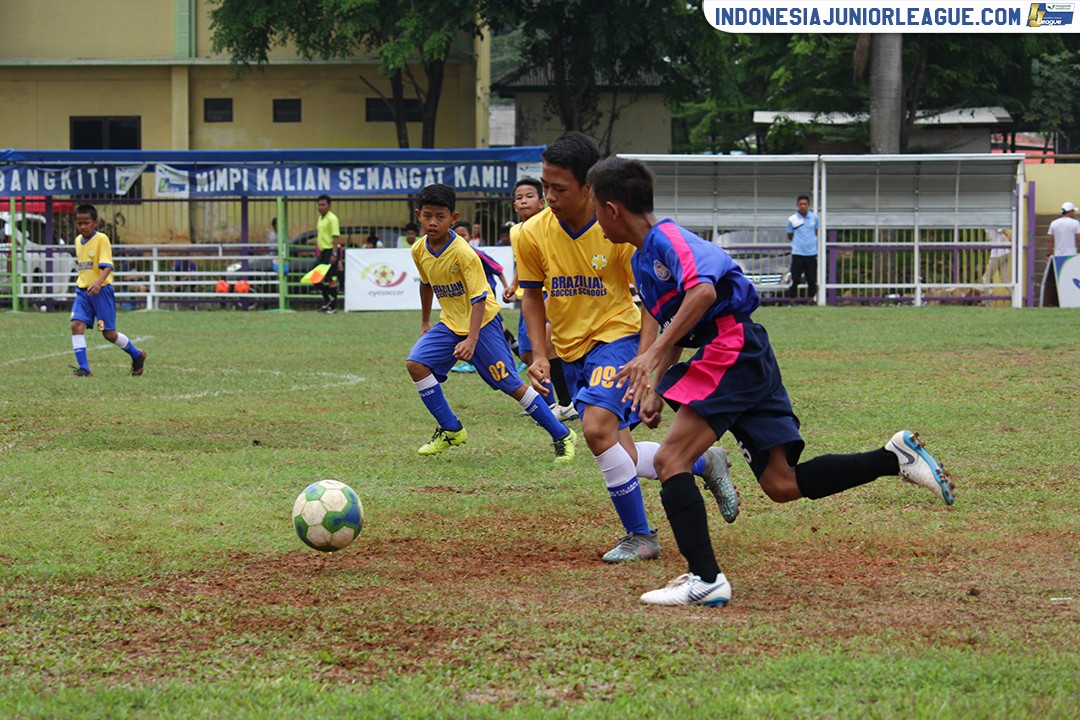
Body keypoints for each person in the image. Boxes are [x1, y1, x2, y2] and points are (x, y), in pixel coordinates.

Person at [586, 156, 956, 606]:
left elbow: (703, 293)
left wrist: (653, 356)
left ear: (611, 209)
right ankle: (892, 457)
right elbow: (681, 323)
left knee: (670, 460)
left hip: (733, 349)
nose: (592, 218)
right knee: (781, 484)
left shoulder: (668, 238)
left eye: (591, 205)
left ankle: (705, 579)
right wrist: (654, 380)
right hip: (741, 352)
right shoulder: (643, 259)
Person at [516, 132, 739, 564]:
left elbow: (652, 304)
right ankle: (704, 461)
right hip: (571, 351)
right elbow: (530, 294)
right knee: (625, 452)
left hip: (616, 339)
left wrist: (645, 359)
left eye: (558, 188)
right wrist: (540, 354)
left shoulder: (615, 229)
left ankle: (641, 536)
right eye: (545, 186)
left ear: (588, 188)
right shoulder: (530, 234)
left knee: (597, 430)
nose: (549, 196)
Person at [405, 183, 577, 463]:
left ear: (454, 218)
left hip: (482, 324)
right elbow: (426, 283)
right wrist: (425, 321)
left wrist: (472, 340)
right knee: (416, 363)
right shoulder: (418, 250)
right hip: (449, 324)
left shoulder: (463, 253)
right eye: (427, 216)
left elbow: (479, 298)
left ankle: (562, 435)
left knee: (511, 385)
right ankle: (451, 429)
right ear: (418, 215)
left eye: (440, 216)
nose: (433, 222)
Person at [503, 176, 577, 421]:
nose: (524, 202)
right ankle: (552, 400)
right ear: (514, 205)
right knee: (527, 354)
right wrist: (513, 285)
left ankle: (560, 402)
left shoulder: (551, 225)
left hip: (547, 293)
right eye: (519, 198)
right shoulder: (516, 231)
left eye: (529, 196)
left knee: (546, 346)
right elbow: (521, 263)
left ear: (541, 202)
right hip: (527, 296)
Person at [69, 203, 146, 378]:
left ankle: (137, 355)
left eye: (86, 222)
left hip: (101, 291)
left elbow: (108, 265)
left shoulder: (101, 239)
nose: (83, 226)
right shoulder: (77, 241)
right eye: (79, 223)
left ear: (95, 222)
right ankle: (84, 368)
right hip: (83, 291)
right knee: (76, 325)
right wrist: (87, 282)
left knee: (109, 334)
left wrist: (98, 281)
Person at [1042, 201, 1080, 307]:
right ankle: (1071, 301)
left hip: (1058, 256)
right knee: (1071, 279)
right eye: (1073, 211)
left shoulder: (1054, 223)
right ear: (1070, 211)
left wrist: (1048, 254)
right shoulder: (1075, 223)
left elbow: (1050, 240)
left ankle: (1057, 302)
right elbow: (1078, 239)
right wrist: (1079, 251)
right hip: (1072, 255)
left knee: (1060, 280)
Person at [785, 194, 819, 302]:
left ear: (808, 205)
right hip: (798, 252)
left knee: (811, 278)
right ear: (797, 205)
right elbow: (789, 235)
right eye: (801, 204)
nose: (803, 206)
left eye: (805, 204)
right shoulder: (792, 219)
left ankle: (811, 299)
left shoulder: (814, 217)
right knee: (795, 277)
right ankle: (792, 299)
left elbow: (815, 232)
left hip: (811, 253)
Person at [314, 195, 343, 314]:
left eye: (323, 205)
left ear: (329, 206)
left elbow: (335, 236)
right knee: (316, 278)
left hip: (331, 250)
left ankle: (333, 306)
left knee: (331, 278)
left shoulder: (332, 218)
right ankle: (328, 300)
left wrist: (334, 253)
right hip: (322, 252)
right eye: (319, 205)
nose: (320, 207)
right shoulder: (321, 218)